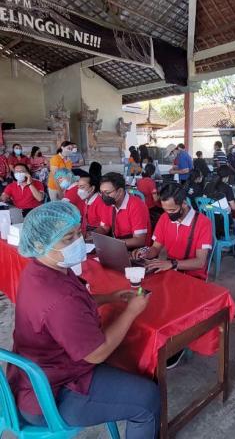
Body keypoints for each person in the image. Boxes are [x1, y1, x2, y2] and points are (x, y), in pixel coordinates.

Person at [10, 201, 159, 437]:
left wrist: (108, 297)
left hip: (34, 374)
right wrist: (131, 311)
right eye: (68, 239)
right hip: (51, 395)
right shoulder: (59, 298)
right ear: (39, 244)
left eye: (78, 233)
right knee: (148, 399)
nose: (78, 242)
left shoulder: (42, 269)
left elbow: (73, 305)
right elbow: (97, 353)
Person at [132, 183, 213, 281]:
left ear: (184, 203)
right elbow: (156, 248)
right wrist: (145, 252)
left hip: (193, 277)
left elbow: (200, 262)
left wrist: (172, 264)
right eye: (165, 210)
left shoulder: (203, 223)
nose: (168, 214)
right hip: (170, 270)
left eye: (172, 210)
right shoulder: (164, 218)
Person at [94, 172, 150, 250]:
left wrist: (112, 244)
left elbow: (139, 240)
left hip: (136, 250)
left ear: (120, 191)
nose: (104, 196)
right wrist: (93, 235)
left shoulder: (136, 205)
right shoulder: (108, 203)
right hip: (118, 245)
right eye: (101, 193)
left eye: (107, 193)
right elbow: (104, 228)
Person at [204, 165, 235, 237]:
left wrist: (213, 208)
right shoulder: (227, 188)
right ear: (227, 177)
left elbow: (204, 203)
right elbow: (234, 208)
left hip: (208, 220)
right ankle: (227, 240)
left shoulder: (208, 185)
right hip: (221, 223)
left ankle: (221, 239)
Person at [63, 171, 104, 235]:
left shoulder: (100, 203)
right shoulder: (87, 200)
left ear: (92, 188)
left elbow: (104, 227)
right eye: (78, 187)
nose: (79, 190)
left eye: (82, 187)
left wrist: (89, 235)